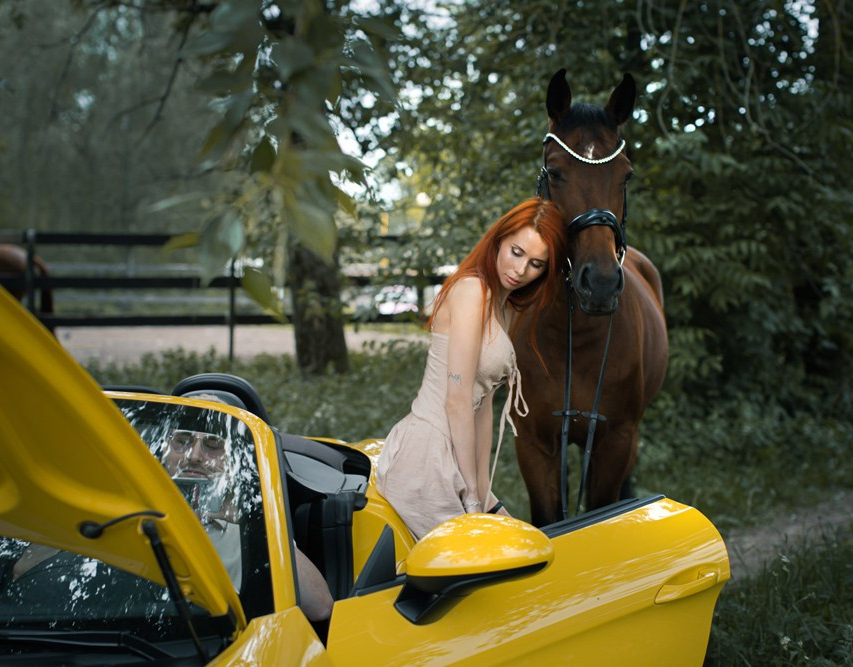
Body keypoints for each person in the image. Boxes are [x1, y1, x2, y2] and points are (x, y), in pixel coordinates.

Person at [375, 197, 566, 540]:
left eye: (536, 263)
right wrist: (471, 498)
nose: (521, 271)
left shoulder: (504, 309)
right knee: (481, 568)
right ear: (498, 241)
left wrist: (481, 489)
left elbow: (483, 412)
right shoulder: (471, 290)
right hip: (426, 457)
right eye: (516, 252)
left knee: (522, 543)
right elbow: (457, 400)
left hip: (457, 463)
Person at [165, 397, 334, 623]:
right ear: (164, 452)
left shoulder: (253, 524)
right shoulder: (128, 512)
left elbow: (320, 606)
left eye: (213, 445)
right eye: (182, 441)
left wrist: (254, 521)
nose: (194, 456)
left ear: (234, 460)